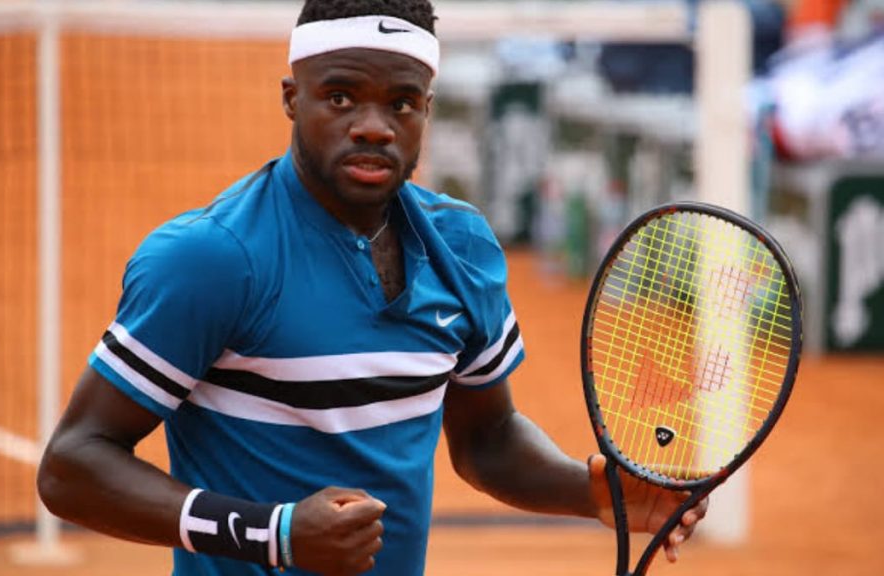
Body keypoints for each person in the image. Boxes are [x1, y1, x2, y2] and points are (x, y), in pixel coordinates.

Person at [37, 1, 708, 574]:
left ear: (427, 109)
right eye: (340, 96)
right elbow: (72, 465)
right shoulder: (213, 260)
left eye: (402, 103)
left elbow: (487, 438)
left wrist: (593, 491)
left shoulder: (463, 247)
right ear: (291, 97)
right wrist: (274, 535)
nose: (373, 125)